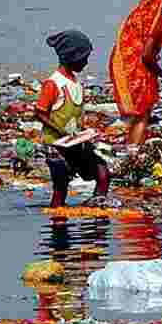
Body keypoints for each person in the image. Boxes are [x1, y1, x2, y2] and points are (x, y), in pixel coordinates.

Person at [36, 29, 110, 208]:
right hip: (56, 146)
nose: (85, 62)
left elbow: (74, 117)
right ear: (71, 56)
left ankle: (95, 210)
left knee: (103, 173)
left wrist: (84, 135)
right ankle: (57, 223)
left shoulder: (76, 84)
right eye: (83, 58)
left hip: (74, 144)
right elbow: (40, 113)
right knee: (61, 187)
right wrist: (61, 131)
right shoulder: (53, 83)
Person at [109, 0, 162, 147]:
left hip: (122, 63)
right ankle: (133, 153)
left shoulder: (138, 12)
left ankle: (129, 150)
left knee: (135, 114)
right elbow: (147, 56)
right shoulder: (157, 20)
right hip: (137, 69)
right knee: (142, 115)